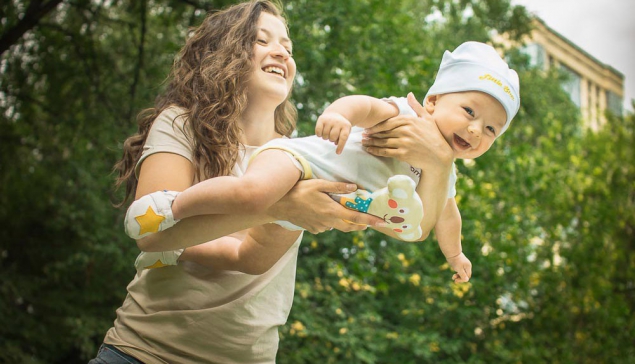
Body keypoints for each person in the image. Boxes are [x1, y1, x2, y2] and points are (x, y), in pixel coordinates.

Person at [90, 1, 453, 363]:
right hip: (144, 351)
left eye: (287, 47)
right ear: (224, 53)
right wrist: (279, 207)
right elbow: (151, 235)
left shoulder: (302, 157)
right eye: (262, 40)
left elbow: (252, 258)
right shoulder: (181, 123)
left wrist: (436, 163)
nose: (281, 51)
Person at [126, 41, 520, 284]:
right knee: (253, 193)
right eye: (469, 111)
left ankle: (173, 249)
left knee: (254, 259)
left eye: (490, 130)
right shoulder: (407, 114)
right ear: (433, 101)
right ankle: (170, 206)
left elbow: (446, 219)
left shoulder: (445, 174)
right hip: (301, 161)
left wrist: (455, 254)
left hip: (331, 199)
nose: (474, 130)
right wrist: (339, 115)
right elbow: (365, 105)